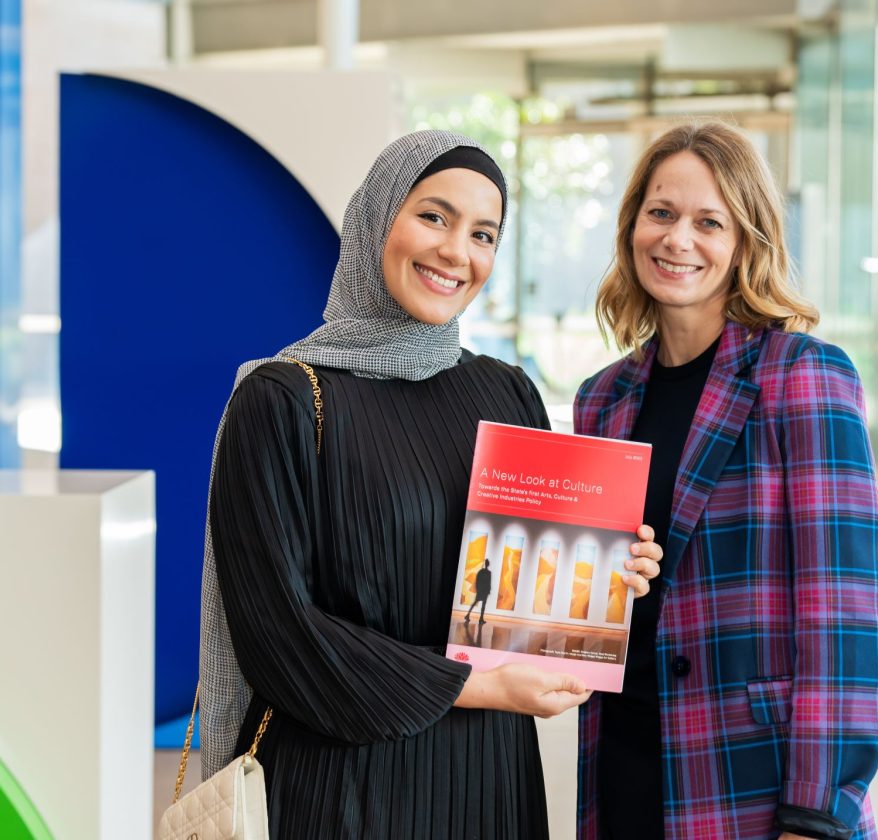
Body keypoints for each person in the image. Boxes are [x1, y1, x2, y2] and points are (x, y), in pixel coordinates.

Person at [199, 130, 662, 839]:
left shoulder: (505, 393)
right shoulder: (284, 398)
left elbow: (526, 597)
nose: (456, 252)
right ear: (376, 218)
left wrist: (601, 571)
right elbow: (279, 633)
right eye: (434, 217)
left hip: (487, 782)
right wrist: (480, 686)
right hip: (339, 792)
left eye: (483, 234)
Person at [573, 122, 878, 840]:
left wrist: (818, 813)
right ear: (632, 229)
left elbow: (845, 615)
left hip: (754, 777)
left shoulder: (802, 375)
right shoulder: (603, 399)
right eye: (661, 213)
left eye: (708, 221)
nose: (677, 239)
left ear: (746, 241)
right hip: (624, 762)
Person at [465, 558, 493, 624]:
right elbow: (487, 582)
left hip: (482, 591)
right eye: (487, 563)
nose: (487, 564)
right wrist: (487, 590)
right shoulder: (487, 572)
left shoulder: (482, 572)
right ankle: (479, 618)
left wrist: (478, 589)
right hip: (483, 591)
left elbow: (478, 581)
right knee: (481, 604)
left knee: (477, 603)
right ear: (487, 564)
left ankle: (475, 617)